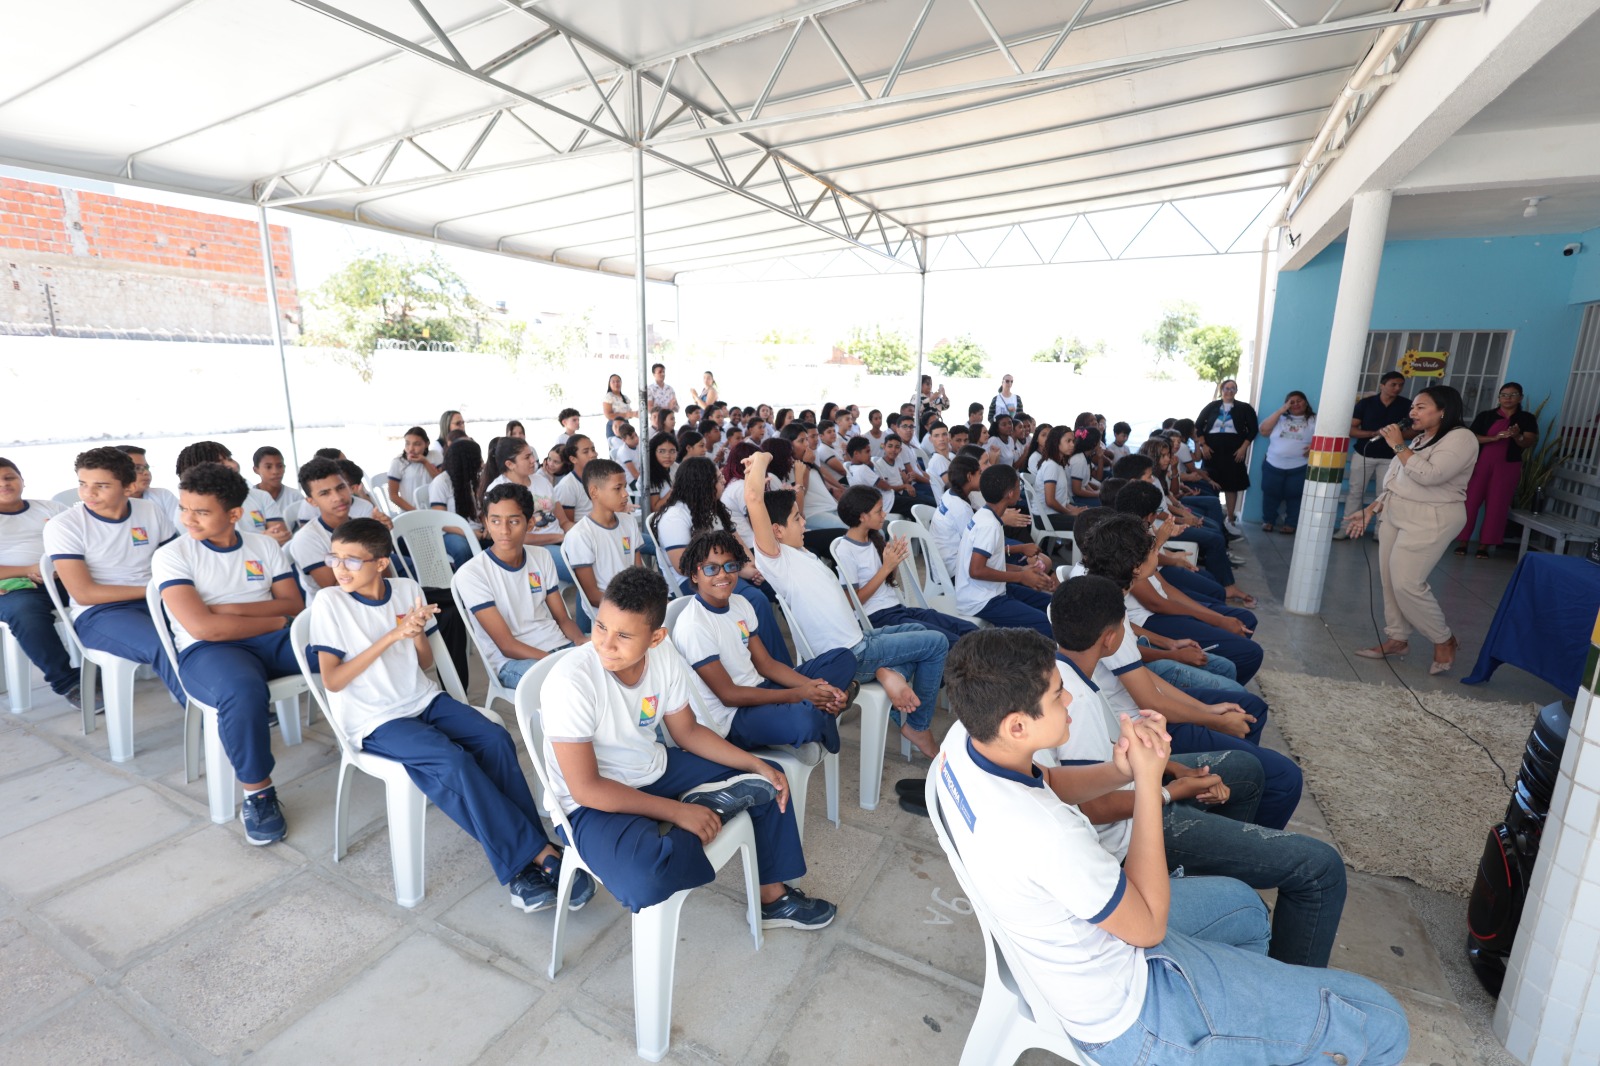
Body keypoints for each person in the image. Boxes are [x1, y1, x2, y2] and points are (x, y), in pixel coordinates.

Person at [934, 628, 1410, 1065]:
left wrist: (1120, 770)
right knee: (1382, 1023)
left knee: (1244, 908)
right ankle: (1256, 1027)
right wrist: (1147, 784)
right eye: (1058, 695)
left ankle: (1262, 1025)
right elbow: (1147, 928)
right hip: (1131, 1016)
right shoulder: (1045, 834)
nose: (1071, 701)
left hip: (1078, 951)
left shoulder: (966, 740)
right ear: (1018, 725)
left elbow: (1050, 782)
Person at [1048, 576, 1344, 966]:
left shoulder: (1069, 673)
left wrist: (1173, 768)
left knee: (1243, 769)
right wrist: (1175, 791)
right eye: (1125, 629)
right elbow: (1094, 806)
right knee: (1320, 866)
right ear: (1110, 638)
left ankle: (1210, 873)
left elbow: (1107, 756)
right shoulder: (1075, 700)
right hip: (1126, 837)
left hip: (1138, 794)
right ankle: (1288, 977)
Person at [312, 517, 593, 913]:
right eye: (334, 557)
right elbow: (334, 680)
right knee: (453, 761)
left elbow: (426, 663)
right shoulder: (330, 602)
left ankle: (526, 859)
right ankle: (539, 856)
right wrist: (391, 636)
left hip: (422, 698)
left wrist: (413, 635)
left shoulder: (406, 589)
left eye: (351, 560)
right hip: (374, 719)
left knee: (496, 739)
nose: (338, 568)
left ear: (380, 563)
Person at [540, 565, 835, 926]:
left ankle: (773, 900)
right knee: (644, 881)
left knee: (770, 784)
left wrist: (756, 764)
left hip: (654, 768)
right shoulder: (571, 681)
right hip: (587, 804)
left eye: (624, 636)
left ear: (656, 638)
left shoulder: (663, 658)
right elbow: (585, 789)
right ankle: (693, 815)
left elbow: (688, 732)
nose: (605, 644)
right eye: (601, 626)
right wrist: (676, 812)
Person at [744, 450, 950, 758]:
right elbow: (754, 501)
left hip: (860, 639)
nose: (804, 522)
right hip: (850, 652)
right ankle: (917, 725)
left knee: (915, 628)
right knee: (936, 642)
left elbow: (781, 510)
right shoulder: (777, 560)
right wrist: (760, 461)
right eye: (797, 519)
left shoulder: (798, 552)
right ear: (776, 531)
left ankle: (887, 674)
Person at [153, 463, 304, 844]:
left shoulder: (264, 546)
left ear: (234, 514)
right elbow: (204, 628)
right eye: (184, 508)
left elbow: (295, 605)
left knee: (339, 651)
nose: (188, 518)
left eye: (201, 511)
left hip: (266, 640)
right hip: (207, 652)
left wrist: (227, 609)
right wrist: (272, 621)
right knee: (242, 691)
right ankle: (258, 793)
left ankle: (382, 736)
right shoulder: (173, 555)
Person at [671, 530, 854, 755]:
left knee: (843, 657)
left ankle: (824, 702)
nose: (723, 575)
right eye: (711, 568)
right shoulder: (694, 626)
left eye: (730, 566)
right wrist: (798, 694)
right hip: (734, 717)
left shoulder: (741, 603)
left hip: (761, 689)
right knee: (804, 721)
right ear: (694, 575)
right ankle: (826, 707)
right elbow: (729, 696)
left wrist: (814, 687)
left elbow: (766, 665)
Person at [1345, 385, 1478, 673]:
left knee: (1407, 583)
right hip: (1396, 512)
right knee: (1389, 580)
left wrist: (1398, 445)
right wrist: (1372, 508)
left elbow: (1430, 476)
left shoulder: (1461, 438)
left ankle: (1444, 639)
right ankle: (1397, 638)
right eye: (1413, 407)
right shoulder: (1421, 439)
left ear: (1443, 411)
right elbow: (1399, 479)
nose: (1412, 412)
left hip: (1432, 517)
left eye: (1421, 407)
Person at [43, 447, 184, 704]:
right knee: (163, 644)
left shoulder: (149, 511)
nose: (89, 493)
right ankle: (209, 719)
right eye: (83, 483)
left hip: (158, 600)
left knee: (207, 630)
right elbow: (84, 594)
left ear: (128, 487)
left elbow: (175, 562)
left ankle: (231, 706)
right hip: (100, 614)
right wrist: (155, 590)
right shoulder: (63, 526)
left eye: (102, 485)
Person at [454, 484, 586, 692]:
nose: (504, 530)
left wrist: (581, 643)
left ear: (530, 523)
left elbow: (562, 619)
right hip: (513, 662)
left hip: (558, 645)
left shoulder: (541, 557)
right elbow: (507, 645)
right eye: (495, 521)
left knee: (609, 665)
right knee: (567, 686)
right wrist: (556, 661)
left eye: (514, 521)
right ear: (486, 523)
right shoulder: (472, 573)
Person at [0, 458, 92, 709]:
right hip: (15, 587)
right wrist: (29, 570)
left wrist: (63, 567)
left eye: (9, 477)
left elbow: (84, 541)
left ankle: (105, 666)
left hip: (64, 575)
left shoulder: (50, 509)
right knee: (25, 614)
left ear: (21, 480)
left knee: (100, 597)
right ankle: (69, 683)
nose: (4, 484)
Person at [835, 486, 976, 646]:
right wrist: (887, 567)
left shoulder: (873, 538)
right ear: (862, 517)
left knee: (967, 628)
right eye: (879, 511)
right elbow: (854, 602)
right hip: (878, 617)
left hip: (897, 609)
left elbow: (887, 581)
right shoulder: (846, 550)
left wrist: (894, 561)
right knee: (949, 640)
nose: (884, 514)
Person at [955, 464, 1058, 637]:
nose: (1020, 490)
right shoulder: (989, 525)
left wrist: (1024, 570)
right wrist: (1021, 577)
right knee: (1044, 622)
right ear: (1010, 493)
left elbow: (993, 562)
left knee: (1053, 604)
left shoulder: (985, 515)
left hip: (994, 590)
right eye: (1019, 486)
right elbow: (976, 570)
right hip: (982, 600)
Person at [287, 456, 389, 605]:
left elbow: (386, 576)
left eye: (341, 487)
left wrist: (381, 537)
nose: (337, 497)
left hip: (375, 601)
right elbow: (338, 588)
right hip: (335, 609)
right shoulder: (307, 539)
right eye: (325, 493)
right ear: (312, 501)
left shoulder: (360, 527)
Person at [1455, 382, 1540, 559]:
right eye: (1504, 395)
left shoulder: (1526, 419)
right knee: (1470, 502)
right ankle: (1462, 541)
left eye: (1512, 395)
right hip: (1481, 464)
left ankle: (1484, 545)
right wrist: (1494, 437)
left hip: (1507, 466)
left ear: (1520, 398)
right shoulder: (1486, 416)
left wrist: (1517, 436)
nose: (1507, 398)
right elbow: (1472, 438)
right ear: (1499, 397)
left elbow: (1529, 442)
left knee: (1497, 505)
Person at [562, 459, 641, 629]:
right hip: (608, 613)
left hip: (636, 603)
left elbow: (639, 573)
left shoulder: (629, 522)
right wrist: (631, 604)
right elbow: (592, 595)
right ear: (594, 492)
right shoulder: (580, 534)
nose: (625, 493)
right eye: (618, 488)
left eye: (625, 486)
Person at [1334, 372, 1413, 540]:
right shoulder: (1366, 403)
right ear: (1382, 385)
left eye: (1401, 385)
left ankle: (1380, 532)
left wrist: (1394, 435)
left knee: (1383, 494)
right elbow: (1351, 429)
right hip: (1364, 454)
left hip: (1390, 458)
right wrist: (1373, 433)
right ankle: (1346, 528)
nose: (1397, 388)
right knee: (1355, 491)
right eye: (1393, 384)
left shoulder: (1407, 405)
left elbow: (1416, 431)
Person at [1194, 379, 1258, 534]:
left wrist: (1243, 448)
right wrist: (1203, 445)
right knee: (1211, 483)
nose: (1229, 391)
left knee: (1232, 485)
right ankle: (1212, 516)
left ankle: (1230, 518)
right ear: (1221, 390)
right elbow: (1198, 425)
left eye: (1232, 388)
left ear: (1236, 391)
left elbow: (1253, 429)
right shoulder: (1212, 406)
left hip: (1234, 452)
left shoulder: (1244, 408)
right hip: (1212, 452)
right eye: (1226, 388)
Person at [1256, 391, 1316, 534]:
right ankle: (1268, 521)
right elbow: (1263, 431)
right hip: (1273, 464)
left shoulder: (1314, 420)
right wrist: (1281, 411)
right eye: (1291, 402)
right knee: (1270, 494)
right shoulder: (1280, 418)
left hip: (1299, 466)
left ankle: (1290, 524)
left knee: (1295, 495)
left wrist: (1314, 446)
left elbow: (1325, 438)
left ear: (1306, 402)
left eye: (1299, 401)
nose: (1296, 404)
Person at [428, 437, 485, 570]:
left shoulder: (473, 480)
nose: (481, 463)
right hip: (450, 532)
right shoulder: (441, 482)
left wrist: (488, 526)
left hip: (475, 529)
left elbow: (482, 511)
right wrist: (468, 532)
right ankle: (464, 587)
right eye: (477, 459)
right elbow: (439, 521)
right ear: (466, 461)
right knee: (462, 549)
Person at [116, 445, 179, 522]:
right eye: (137, 468)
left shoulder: (163, 495)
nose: (146, 472)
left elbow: (181, 529)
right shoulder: (109, 503)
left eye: (147, 468)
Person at [252, 446, 305, 530]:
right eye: (268, 467)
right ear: (256, 470)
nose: (275, 472)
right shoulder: (249, 498)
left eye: (280, 466)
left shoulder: (295, 497)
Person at [602, 373, 636, 440]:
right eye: (613, 382)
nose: (616, 383)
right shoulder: (609, 396)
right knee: (617, 448)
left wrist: (633, 414)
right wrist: (625, 414)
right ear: (609, 384)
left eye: (618, 381)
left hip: (626, 424)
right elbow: (608, 415)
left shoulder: (625, 398)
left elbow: (630, 414)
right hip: (614, 426)